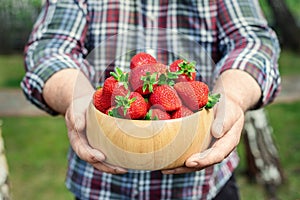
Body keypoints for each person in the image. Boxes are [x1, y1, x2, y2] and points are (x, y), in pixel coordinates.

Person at [21, 0, 281, 199]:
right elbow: (49, 48)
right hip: (99, 188)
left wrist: (233, 96)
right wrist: (76, 97)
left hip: (205, 188)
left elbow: (252, 41)